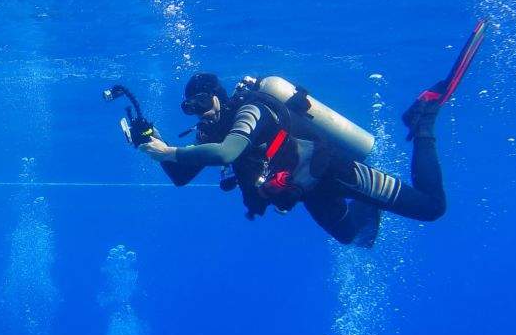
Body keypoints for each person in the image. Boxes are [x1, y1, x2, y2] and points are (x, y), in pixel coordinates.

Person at [138, 72, 448, 247]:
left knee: (432, 207)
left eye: (203, 102)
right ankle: (371, 204)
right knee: (356, 238)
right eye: (191, 108)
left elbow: (227, 153)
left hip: (337, 171)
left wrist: (169, 152)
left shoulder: (252, 109)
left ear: (218, 96)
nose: (200, 113)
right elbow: (181, 177)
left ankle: (422, 121)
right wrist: (152, 140)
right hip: (309, 191)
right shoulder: (212, 133)